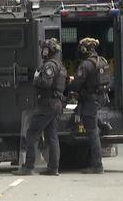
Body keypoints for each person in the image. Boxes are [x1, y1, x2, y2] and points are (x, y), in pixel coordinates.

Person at [13, 38, 66, 176]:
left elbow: (45, 83)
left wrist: (36, 78)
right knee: (52, 136)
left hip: (47, 104)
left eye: (44, 49)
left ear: (48, 50)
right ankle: (53, 168)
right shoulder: (60, 65)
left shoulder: (49, 66)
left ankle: (28, 167)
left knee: (31, 133)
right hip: (56, 104)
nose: (43, 51)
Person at [67, 38, 111, 174]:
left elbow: (76, 84)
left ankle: (97, 165)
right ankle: (102, 124)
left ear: (84, 50)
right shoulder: (102, 61)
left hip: (91, 100)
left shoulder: (86, 65)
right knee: (91, 119)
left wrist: (70, 82)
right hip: (101, 98)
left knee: (92, 132)